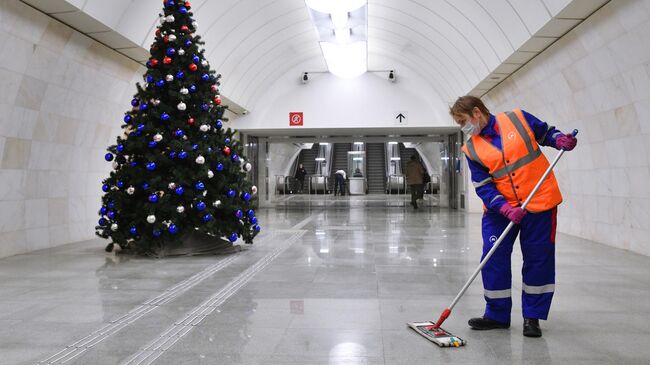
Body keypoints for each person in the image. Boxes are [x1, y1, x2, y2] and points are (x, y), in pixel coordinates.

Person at [449, 95, 577, 338]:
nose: (462, 127)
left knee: (538, 258)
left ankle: (533, 317)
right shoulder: (471, 148)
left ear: (477, 112)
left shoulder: (518, 118)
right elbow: (483, 185)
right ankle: (496, 315)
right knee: (492, 256)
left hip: (540, 202)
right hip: (501, 211)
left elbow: (545, 133)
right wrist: (505, 208)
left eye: (462, 120)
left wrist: (559, 139)